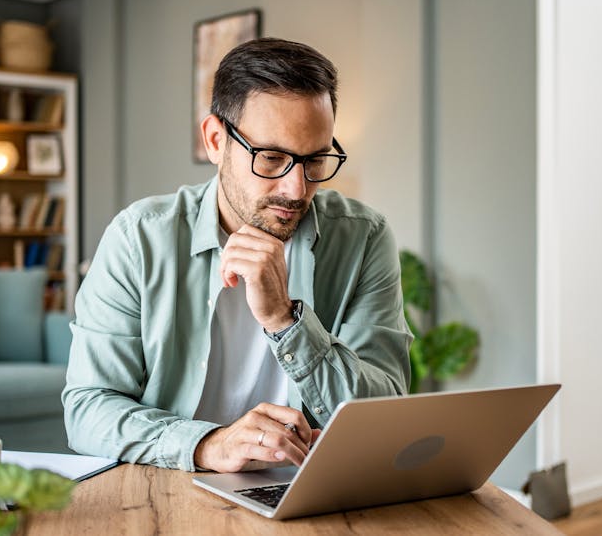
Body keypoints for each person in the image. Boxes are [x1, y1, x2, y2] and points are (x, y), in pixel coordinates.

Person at [63, 38, 411, 473]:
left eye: (315, 160)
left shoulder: (363, 237)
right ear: (215, 140)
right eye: (271, 158)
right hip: (172, 484)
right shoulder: (139, 238)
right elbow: (88, 408)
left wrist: (286, 321)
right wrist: (210, 444)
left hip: (307, 490)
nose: (296, 190)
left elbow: (383, 414)